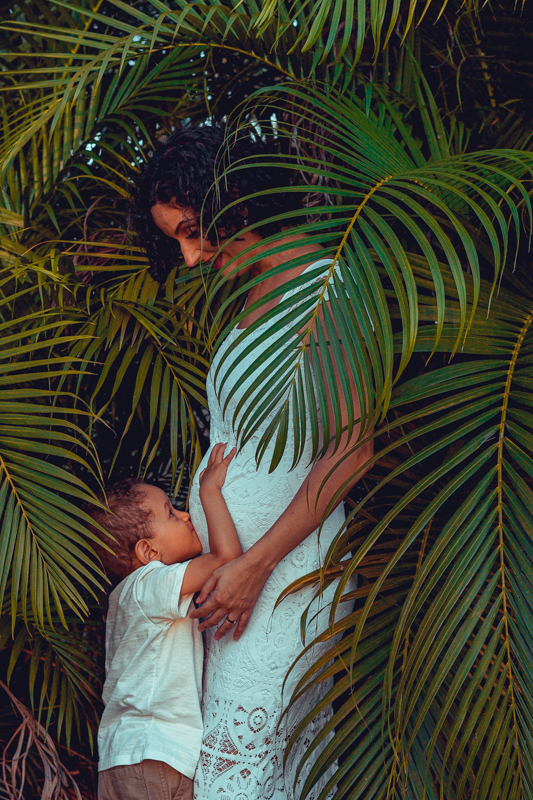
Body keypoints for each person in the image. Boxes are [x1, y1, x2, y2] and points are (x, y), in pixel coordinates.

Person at [129, 124, 374, 799]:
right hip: (233, 580)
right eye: (176, 238)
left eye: (191, 230)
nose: (188, 257)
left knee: (236, 777)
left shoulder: (325, 289)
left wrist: (254, 567)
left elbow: (353, 448)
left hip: (281, 575)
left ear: (233, 195)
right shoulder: (257, 292)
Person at [93, 443, 241, 800]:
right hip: (154, 752)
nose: (187, 516)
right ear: (148, 553)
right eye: (172, 514)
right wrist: (210, 491)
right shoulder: (149, 583)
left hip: (125, 757)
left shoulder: (126, 598)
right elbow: (228, 559)